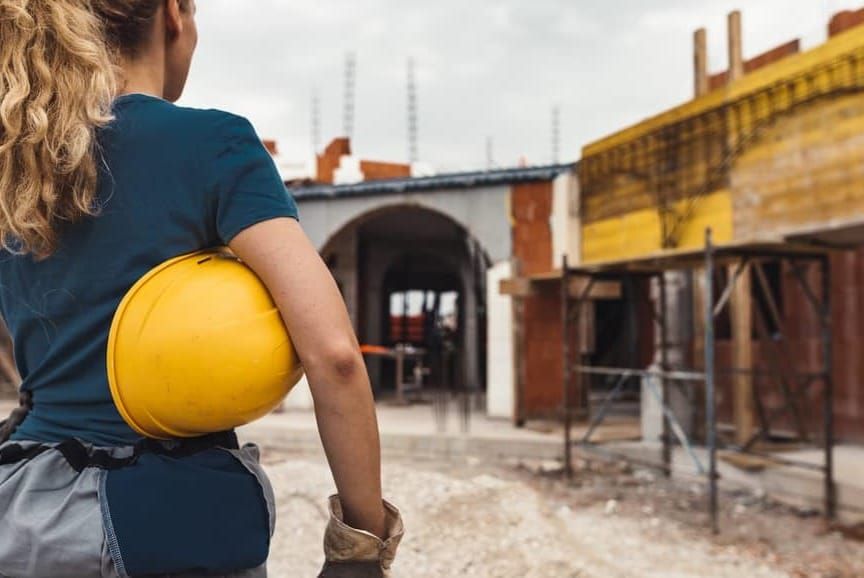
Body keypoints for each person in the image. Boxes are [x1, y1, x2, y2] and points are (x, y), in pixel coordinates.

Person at [0, 1, 403, 577]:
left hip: (24, 511)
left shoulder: (20, 162)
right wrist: (361, 544)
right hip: (169, 522)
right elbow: (335, 356)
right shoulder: (215, 143)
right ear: (174, 15)